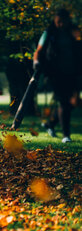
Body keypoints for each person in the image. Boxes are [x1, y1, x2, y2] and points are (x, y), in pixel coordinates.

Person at [33, 8, 81, 143]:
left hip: (72, 72)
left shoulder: (73, 32)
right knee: (64, 102)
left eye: (62, 21)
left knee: (73, 102)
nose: (60, 24)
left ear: (67, 21)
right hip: (54, 73)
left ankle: (50, 123)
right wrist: (36, 62)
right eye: (58, 21)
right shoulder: (48, 33)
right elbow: (39, 50)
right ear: (55, 20)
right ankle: (66, 135)